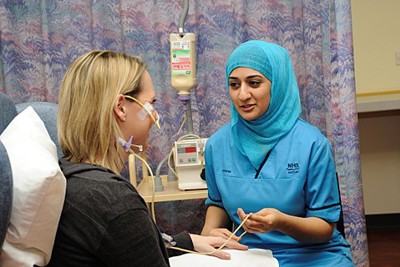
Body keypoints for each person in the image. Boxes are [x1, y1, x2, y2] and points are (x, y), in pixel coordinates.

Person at [47, 50, 247, 267]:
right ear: (121, 108)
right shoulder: (115, 201)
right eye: (150, 103)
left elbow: (123, 246)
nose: (155, 116)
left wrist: (187, 241)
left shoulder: (72, 176)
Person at [200, 40, 354, 266]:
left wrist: (282, 222)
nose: (243, 95)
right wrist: (210, 231)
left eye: (254, 83)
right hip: (248, 255)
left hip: (314, 256)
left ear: (278, 84)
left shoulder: (313, 144)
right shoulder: (217, 145)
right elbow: (218, 203)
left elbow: (324, 227)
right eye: (234, 85)